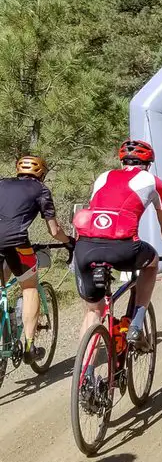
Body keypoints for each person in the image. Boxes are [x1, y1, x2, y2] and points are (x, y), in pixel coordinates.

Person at [73, 140, 162, 350]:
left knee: (93, 311)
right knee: (152, 263)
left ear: (122, 162)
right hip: (123, 248)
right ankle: (137, 322)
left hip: (85, 246)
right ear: (148, 163)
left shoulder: (103, 176)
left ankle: (85, 375)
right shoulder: (154, 182)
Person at [0, 155, 74, 363]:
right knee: (29, 287)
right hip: (17, 244)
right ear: (42, 173)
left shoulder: (2, 183)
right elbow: (54, 230)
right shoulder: (41, 190)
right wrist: (69, 241)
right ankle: (30, 346)